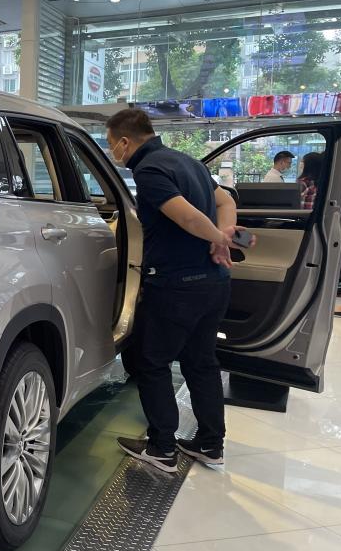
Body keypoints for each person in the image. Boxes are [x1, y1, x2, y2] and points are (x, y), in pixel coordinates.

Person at [106, 109, 247, 472]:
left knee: (151, 362)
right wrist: (223, 235)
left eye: (111, 144)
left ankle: (162, 448)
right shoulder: (190, 162)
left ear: (125, 142)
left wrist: (218, 238)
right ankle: (211, 445)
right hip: (214, 283)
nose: (112, 152)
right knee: (201, 362)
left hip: (176, 286)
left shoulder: (149, 170)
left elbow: (185, 216)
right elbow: (226, 202)